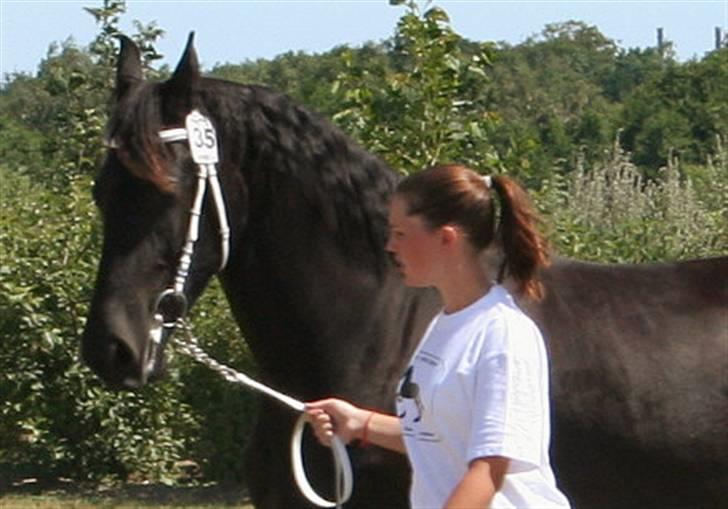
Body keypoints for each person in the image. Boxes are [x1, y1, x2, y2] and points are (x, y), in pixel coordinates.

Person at [306, 164, 570, 509]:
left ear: (446, 238)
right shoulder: (446, 324)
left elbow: (489, 470)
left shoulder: (503, 336)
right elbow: (441, 437)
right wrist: (360, 423)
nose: (390, 246)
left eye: (401, 233)